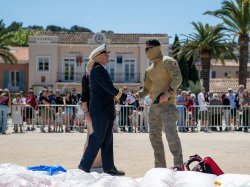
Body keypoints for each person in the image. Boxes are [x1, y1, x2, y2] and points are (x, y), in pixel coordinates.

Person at [133, 39, 183, 168]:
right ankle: (160, 167)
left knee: (171, 136)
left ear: (156, 48)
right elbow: (146, 89)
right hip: (154, 107)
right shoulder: (149, 69)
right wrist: (134, 97)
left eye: (148, 49)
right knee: (154, 137)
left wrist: (167, 93)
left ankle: (179, 165)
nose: (146, 52)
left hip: (168, 106)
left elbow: (178, 78)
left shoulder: (168, 61)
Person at [78, 44, 127, 176]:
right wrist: (123, 96)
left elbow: (107, 90)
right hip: (100, 111)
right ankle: (83, 167)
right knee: (97, 138)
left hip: (105, 111)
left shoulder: (100, 69)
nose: (108, 56)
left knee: (107, 140)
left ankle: (109, 168)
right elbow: (108, 88)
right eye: (106, 55)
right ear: (99, 57)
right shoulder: (98, 70)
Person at [81, 59, 102, 168]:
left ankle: (97, 162)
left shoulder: (100, 78)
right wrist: (86, 112)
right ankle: (88, 163)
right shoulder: (86, 78)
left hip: (100, 111)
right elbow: (84, 97)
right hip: (90, 110)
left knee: (98, 137)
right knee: (91, 136)